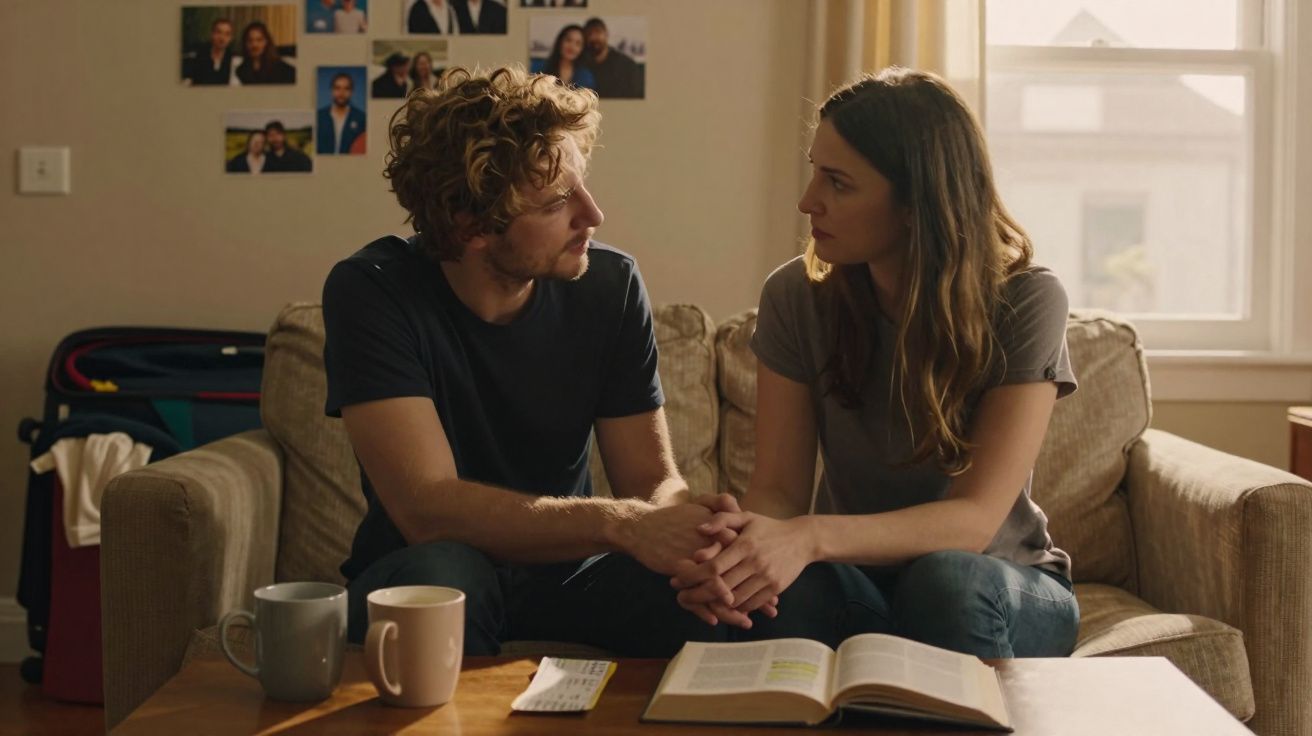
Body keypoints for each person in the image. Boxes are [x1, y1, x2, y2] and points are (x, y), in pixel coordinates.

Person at [321, 66, 770, 656]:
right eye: (559, 201)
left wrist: (692, 542)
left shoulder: (610, 284)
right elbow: (427, 509)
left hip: (569, 575)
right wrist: (623, 524)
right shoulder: (373, 291)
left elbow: (653, 481)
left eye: (582, 185)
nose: (593, 214)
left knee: (739, 601)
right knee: (448, 575)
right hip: (423, 569)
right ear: (472, 224)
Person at [670, 67, 1080, 660]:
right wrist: (743, 559)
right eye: (815, 171)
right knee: (761, 600)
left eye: (838, 182)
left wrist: (810, 536)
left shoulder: (1026, 299)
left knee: (947, 582)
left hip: (998, 581)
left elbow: (974, 522)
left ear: (918, 204)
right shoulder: (795, 296)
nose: (807, 201)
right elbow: (779, 490)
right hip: (860, 576)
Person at [582, 18, 642, 99]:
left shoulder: (626, 65)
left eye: (598, 32)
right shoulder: (581, 64)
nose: (594, 37)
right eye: (589, 34)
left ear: (606, 34)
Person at [317, 73, 367, 155]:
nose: (341, 93)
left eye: (346, 88)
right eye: (337, 88)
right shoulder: (318, 116)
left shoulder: (362, 118)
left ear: (352, 92)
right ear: (331, 90)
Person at [235, 21, 296, 85]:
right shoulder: (241, 70)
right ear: (245, 43)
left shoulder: (283, 69)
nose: (254, 45)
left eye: (259, 40)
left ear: (266, 42)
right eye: (250, 40)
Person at [543, 25, 595, 91]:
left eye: (578, 43)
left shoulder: (586, 76)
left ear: (582, 49)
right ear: (560, 42)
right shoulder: (543, 68)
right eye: (568, 40)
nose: (572, 47)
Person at [185, 17, 235, 85]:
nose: (222, 37)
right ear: (212, 34)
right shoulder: (198, 56)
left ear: (231, 38)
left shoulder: (234, 60)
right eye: (218, 32)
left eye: (227, 34)